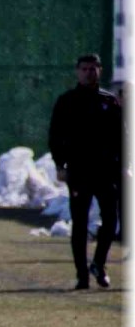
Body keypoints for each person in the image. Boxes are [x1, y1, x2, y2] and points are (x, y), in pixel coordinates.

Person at [48, 54, 124, 290]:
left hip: (107, 170)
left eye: (93, 68)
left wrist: (126, 164)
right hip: (79, 171)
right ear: (77, 72)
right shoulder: (67, 101)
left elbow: (123, 136)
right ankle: (82, 274)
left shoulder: (109, 102)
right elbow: (55, 136)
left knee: (111, 220)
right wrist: (60, 164)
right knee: (79, 223)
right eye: (84, 69)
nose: (89, 73)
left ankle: (98, 264)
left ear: (100, 71)